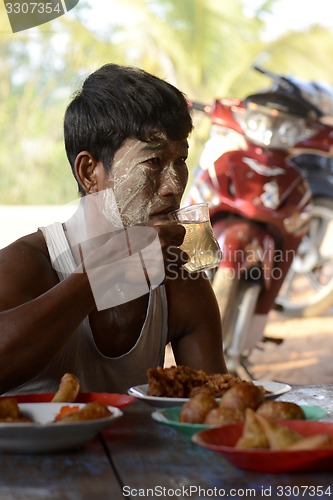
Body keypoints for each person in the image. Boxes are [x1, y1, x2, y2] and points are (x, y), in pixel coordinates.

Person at [0, 63, 227, 395]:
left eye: (181, 160)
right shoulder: (27, 264)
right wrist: (103, 277)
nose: (174, 185)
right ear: (90, 172)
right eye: (153, 162)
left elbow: (217, 403)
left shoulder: (179, 278)